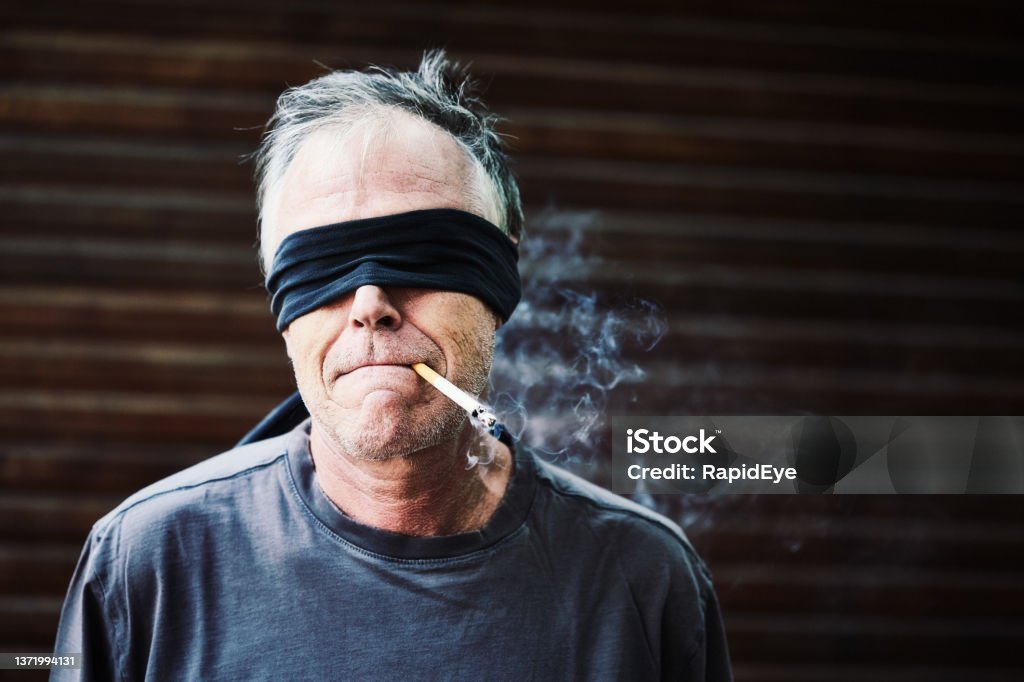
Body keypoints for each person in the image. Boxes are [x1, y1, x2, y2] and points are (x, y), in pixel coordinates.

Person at [53, 50, 732, 681]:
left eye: (422, 254)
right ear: (283, 309)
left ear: (498, 283)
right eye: (323, 265)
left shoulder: (646, 580)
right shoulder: (142, 567)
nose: (371, 303)